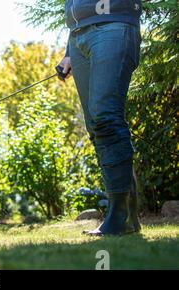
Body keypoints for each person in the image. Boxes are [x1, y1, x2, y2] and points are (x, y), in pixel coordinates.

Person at [58, 0, 143, 236]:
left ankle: (120, 214)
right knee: (96, 126)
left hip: (114, 25)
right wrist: (68, 52)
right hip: (78, 36)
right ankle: (126, 215)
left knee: (106, 117)